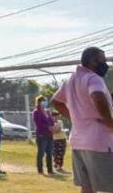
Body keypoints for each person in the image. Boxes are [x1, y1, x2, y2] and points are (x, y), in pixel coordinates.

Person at [51, 47, 113, 193]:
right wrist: (110, 122)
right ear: (93, 62)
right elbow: (97, 95)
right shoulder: (93, 78)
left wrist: (74, 116)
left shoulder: (72, 79)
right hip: (100, 142)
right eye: (103, 61)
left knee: (87, 187)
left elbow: (56, 101)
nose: (106, 65)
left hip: (79, 141)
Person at [33, 95, 56, 175]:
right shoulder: (36, 112)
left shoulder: (47, 112)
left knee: (49, 153)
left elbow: (51, 121)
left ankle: (50, 170)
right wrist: (48, 127)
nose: (44, 102)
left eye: (45, 101)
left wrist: (53, 127)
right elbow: (39, 124)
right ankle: (40, 170)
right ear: (38, 102)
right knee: (41, 153)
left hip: (49, 135)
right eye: (43, 101)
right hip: (41, 135)